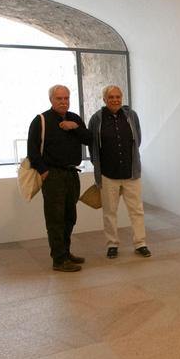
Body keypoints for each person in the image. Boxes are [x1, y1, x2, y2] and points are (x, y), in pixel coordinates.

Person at [27, 85, 91, 272]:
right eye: (59, 99)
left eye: (66, 98)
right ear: (51, 100)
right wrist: (43, 170)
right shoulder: (41, 120)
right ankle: (59, 259)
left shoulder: (74, 119)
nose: (63, 102)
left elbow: (89, 139)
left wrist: (75, 128)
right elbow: (32, 149)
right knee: (55, 218)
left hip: (72, 173)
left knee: (70, 217)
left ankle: (66, 252)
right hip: (53, 175)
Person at [88, 84, 150, 259]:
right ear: (104, 99)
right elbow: (92, 147)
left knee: (136, 210)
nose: (115, 100)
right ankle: (112, 244)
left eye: (118, 97)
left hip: (131, 173)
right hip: (108, 174)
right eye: (111, 97)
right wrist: (98, 167)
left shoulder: (131, 115)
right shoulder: (96, 119)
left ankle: (141, 243)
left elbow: (137, 139)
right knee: (109, 212)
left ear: (121, 98)